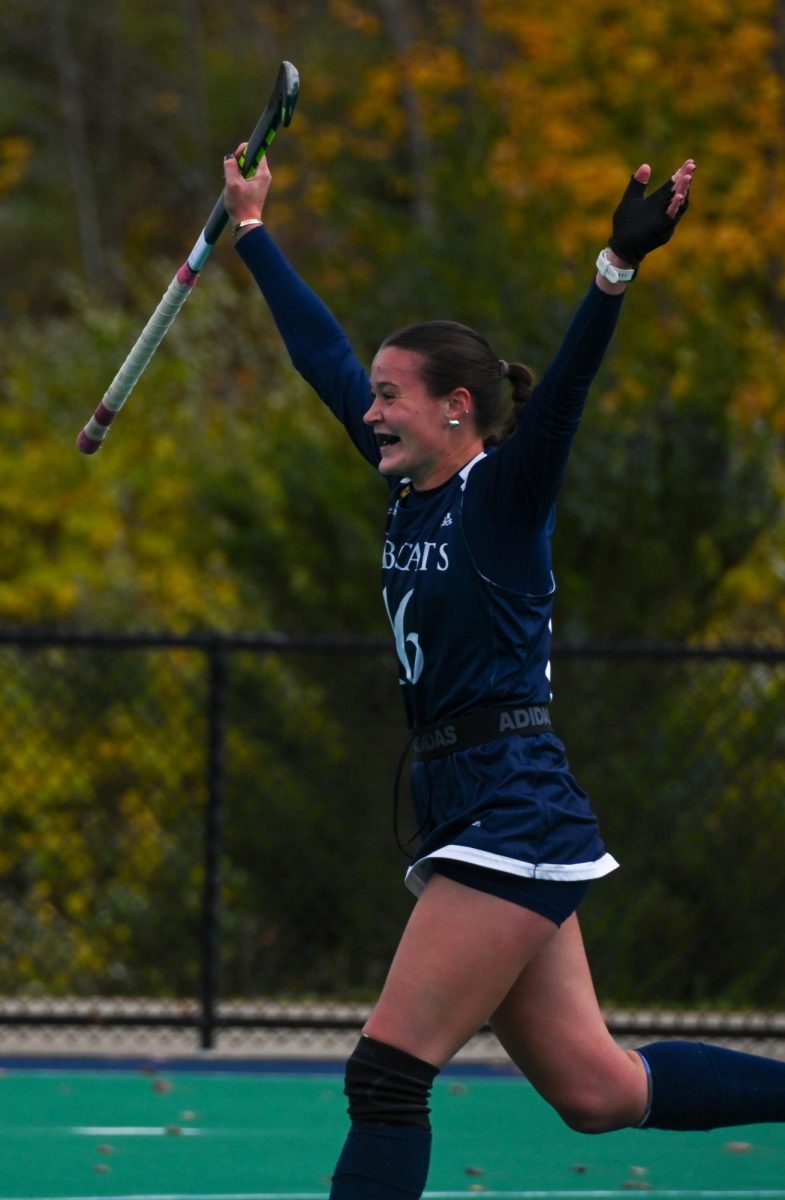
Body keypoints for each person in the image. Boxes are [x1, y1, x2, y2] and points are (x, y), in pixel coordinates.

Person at [222, 148, 785, 1199]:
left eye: (392, 397)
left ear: (457, 408)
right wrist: (252, 231)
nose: (371, 410)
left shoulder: (501, 495)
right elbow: (320, 355)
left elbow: (565, 390)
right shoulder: (409, 485)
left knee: (385, 1076)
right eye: (375, 397)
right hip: (465, 801)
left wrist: (615, 262)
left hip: (508, 807)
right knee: (598, 1090)